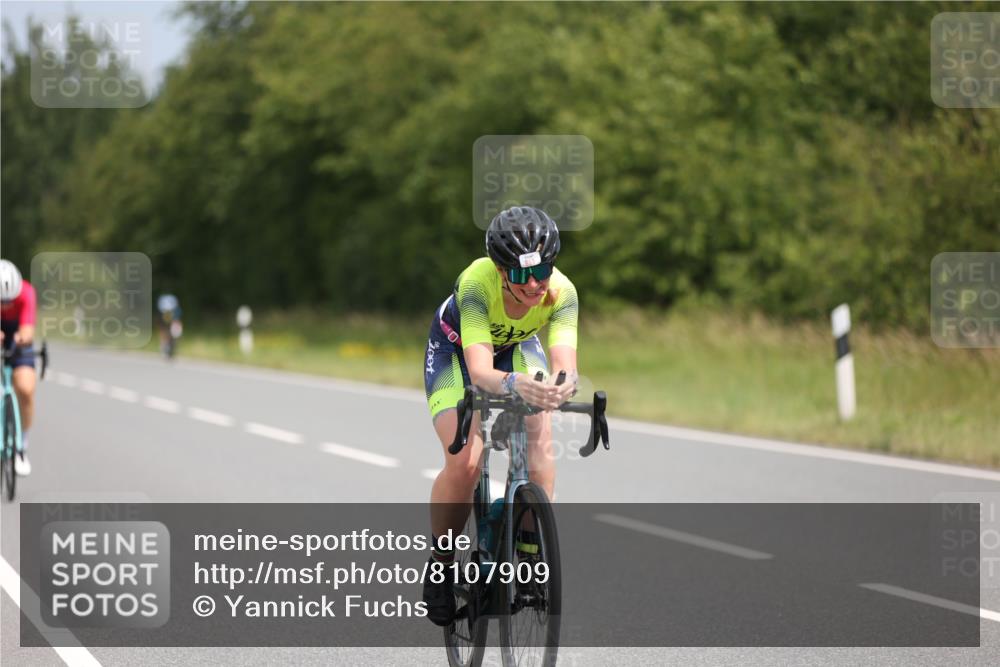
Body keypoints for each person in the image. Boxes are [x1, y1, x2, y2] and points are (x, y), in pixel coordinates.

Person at [421, 206, 579, 626]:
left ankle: (528, 551)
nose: (533, 284)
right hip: (457, 354)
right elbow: (480, 373)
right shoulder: (477, 284)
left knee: (539, 427)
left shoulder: (563, 292)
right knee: (466, 460)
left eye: (542, 269)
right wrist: (512, 385)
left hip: (517, 350)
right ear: (500, 268)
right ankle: (440, 563)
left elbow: (564, 361)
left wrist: (561, 385)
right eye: (521, 274)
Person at [0, 259, 37, 476]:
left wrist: (21, 338)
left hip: (16, 334)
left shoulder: (26, 292)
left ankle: (21, 446)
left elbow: (28, 329)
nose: (5, 305)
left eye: (9, 300)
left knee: (25, 389)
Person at [156, 293, 183, 358]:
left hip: (171, 319)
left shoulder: (175, 309)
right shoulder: (165, 309)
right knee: (164, 330)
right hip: (165, 318)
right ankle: (164, 345)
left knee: (172, 332)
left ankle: (169, 346)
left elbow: (177, 320)